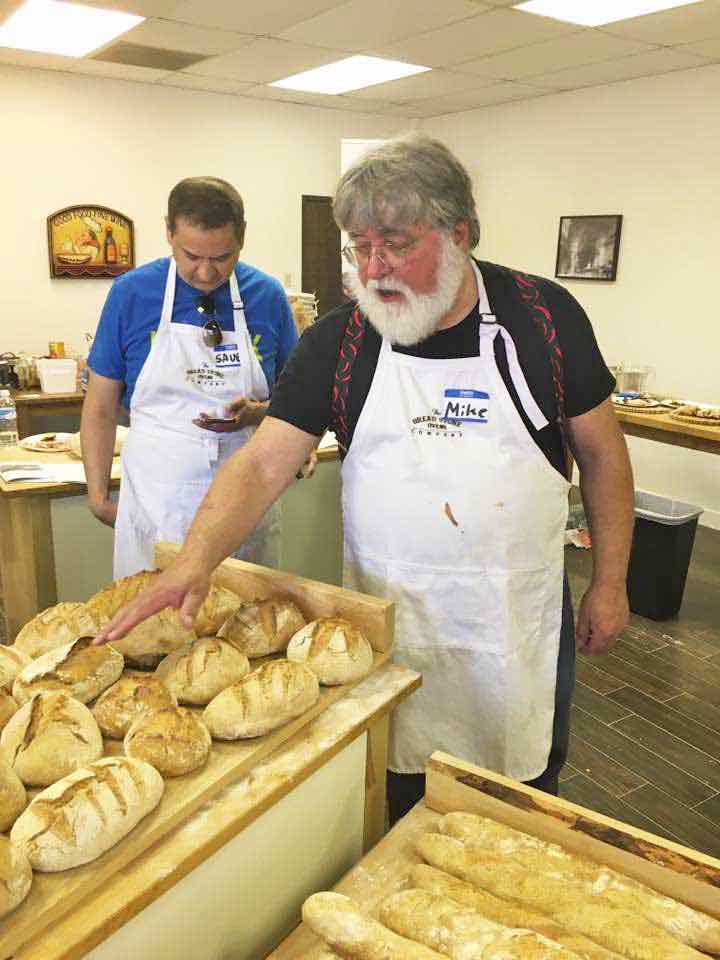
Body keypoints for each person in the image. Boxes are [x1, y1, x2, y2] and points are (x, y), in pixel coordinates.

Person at [93, 137, 634, 823]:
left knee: (516, 802)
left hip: (511, 618)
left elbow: (603, 455)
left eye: (397, 245)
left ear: (460, 233)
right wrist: (193, 563)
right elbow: (262, 461)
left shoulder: (543, 321)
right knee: (395, 794)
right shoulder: (342, 341)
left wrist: (610, 581)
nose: (374, 269)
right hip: (386, 619)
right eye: (359, 247)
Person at [81, 176, 300, 579]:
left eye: (222, 257)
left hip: (243, 495)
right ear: (169, 232)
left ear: (242, 239)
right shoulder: (132, 294)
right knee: (153, 624)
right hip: (156, 492)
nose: (205, 272)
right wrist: (97, 495)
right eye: (192, 255)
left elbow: (297, 403)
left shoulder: (266, 296)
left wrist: (258, 414)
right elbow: (100, 406)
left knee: (243, 623)